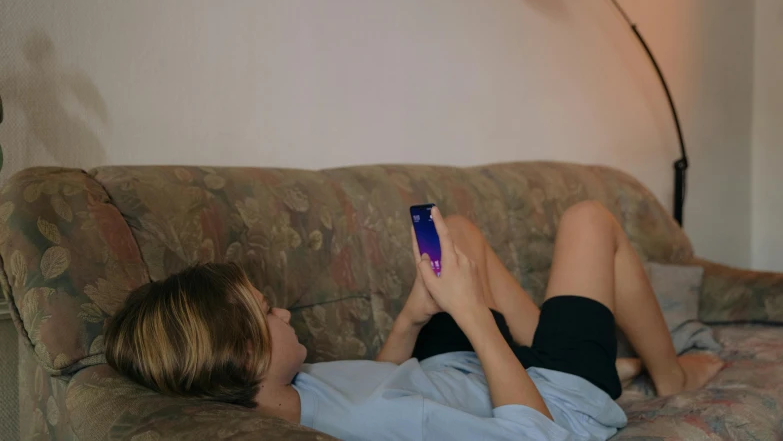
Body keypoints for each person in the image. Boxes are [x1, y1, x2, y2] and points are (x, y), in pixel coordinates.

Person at [104, 201, 723, 440]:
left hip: (450, 368)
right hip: (553, 404)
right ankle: (665, 377)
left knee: (455, 234)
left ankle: (579, 345)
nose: (284, 310)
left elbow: (378, 382)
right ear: (244, 357)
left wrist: (412, 316)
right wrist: (470, 315)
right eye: (268, 312)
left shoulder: (284, 394)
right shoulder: (381, 427)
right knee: (588, 220)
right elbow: (534, 440)